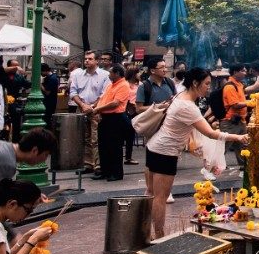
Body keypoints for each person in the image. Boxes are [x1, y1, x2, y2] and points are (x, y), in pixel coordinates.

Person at [143, 68, 248, 238]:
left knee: (151, 193)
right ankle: (159, 236)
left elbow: (190, 125)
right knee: (160, 197)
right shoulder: (187, 106)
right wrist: (238, 137)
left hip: (154, 146)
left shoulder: (180, 96)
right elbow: (211, 133)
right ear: (195, 83)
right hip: (165, 152)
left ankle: (144, 232)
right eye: (206, 84)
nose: (209, 87)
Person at [68, 51, 109, 173]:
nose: (87, 61)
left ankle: (98, 165)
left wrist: (93, 106)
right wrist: (82, 105)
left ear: (97, 61)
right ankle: (87, 164)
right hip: (81, 108)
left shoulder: (105, 75)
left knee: (95, 138)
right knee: (83, 137)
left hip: (97, 109)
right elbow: (73, 92)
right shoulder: (78, 75)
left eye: (90, 59)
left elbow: (105, 93)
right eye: (85, 59)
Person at [91, 64, 132, 182]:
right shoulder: (111, 85)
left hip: (116, 118)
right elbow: (103, 99)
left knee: (115, 147)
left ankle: (116, 173)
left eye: (110, 72)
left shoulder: (124, 85)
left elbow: (115, 103)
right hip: (106, 117)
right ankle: (105, 171)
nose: (109, 74)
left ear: (117, 74)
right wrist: (97, 109)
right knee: (103, 146)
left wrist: (98, 109)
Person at [219, 63, 249, 136]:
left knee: (241, 145)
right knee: (230, 146)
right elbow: (235, 105)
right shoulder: (230, 86)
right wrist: (250, 103)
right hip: (231, 122)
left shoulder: (239, 85)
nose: (245, 73)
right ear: (235, 72)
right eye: (243, 71)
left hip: (240, 120)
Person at [39, 63, 59, 131]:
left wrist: (40, 84)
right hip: (47, 102)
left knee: (47, 120)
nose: (40, 74)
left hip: (50, 103)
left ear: (44, 70)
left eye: (41, 71)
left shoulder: (52, 79)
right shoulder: (48, 78)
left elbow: (47, 92)